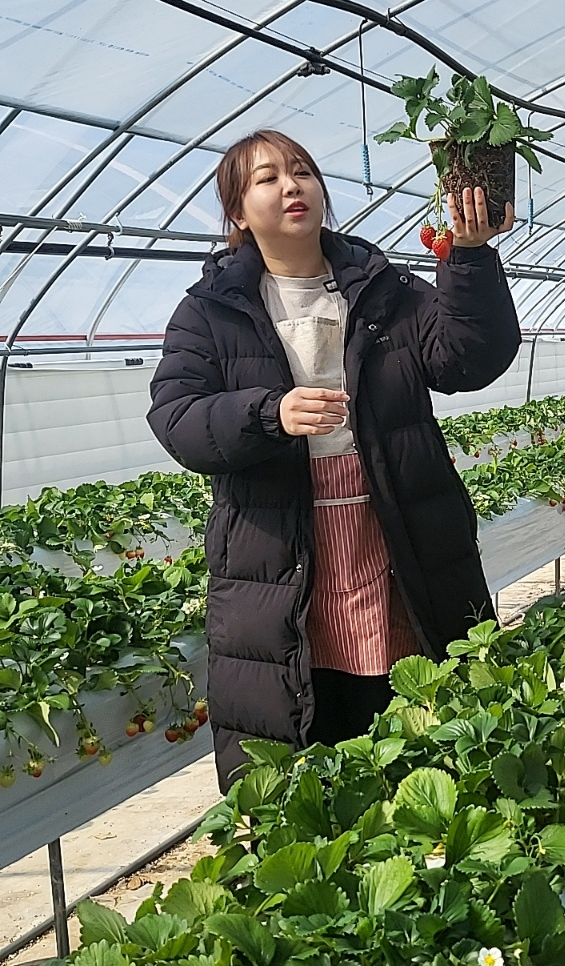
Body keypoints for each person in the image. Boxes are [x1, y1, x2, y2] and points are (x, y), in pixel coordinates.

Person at [148, 129, 520, 790]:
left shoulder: (378, 289)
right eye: (266, 179)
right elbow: (177, 419)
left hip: (396, 528)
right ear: (237, 212)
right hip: (281, 546)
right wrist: (271, 414)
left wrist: (467, 259)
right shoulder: (209, 313)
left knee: (416, 711)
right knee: (302, 715)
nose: (290, 185)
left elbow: (465, 358)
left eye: (302, 171)